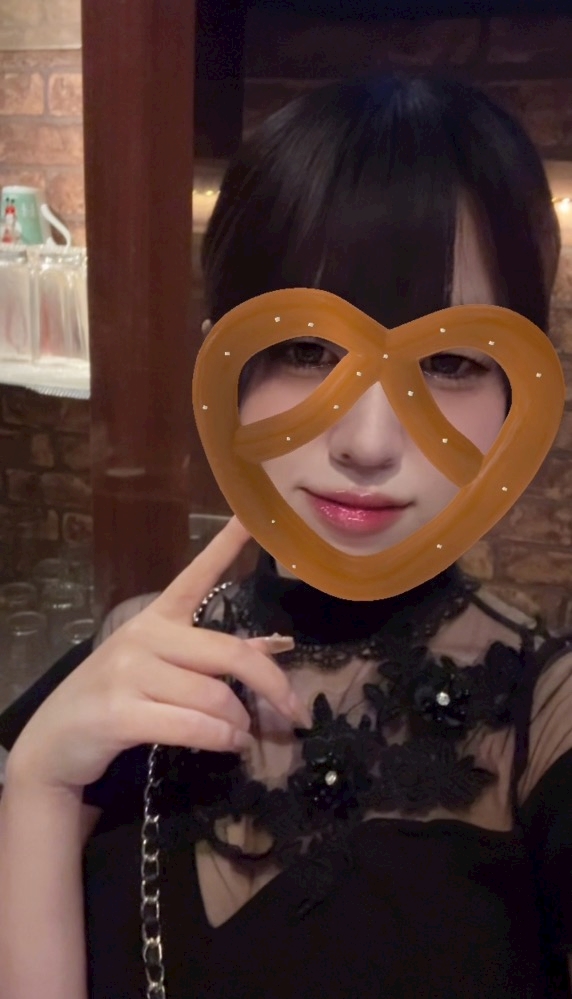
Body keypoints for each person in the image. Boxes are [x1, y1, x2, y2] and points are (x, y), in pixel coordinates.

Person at [0, 73, 571, 999]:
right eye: (307, 349)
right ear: (226, 362)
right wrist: (40, 787)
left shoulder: (544, 716)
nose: (367, 443)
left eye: (450, 360)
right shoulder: (130, 654)